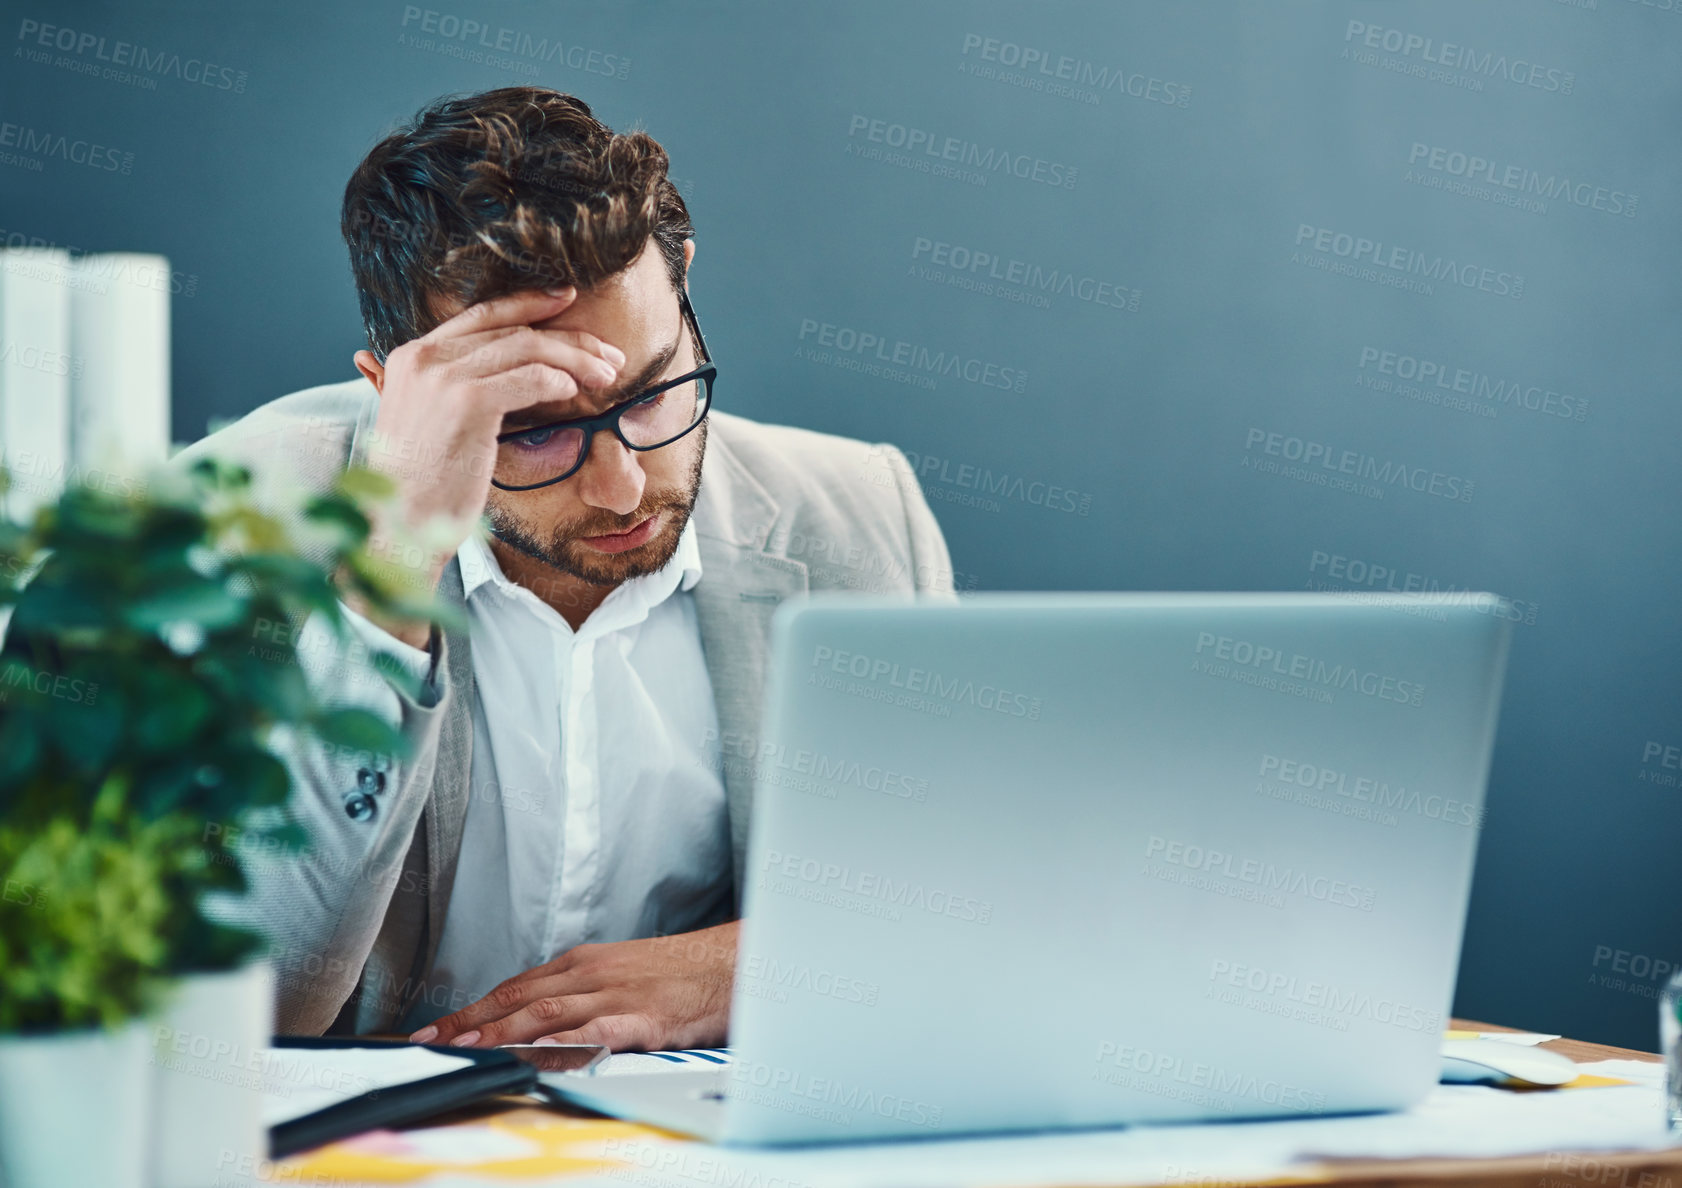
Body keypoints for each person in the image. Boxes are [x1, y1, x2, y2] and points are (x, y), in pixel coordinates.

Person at [178, 85, 955, 1049]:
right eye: (536, 429)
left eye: (655, 389)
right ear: (389, 393)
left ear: (685, 291)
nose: (625, 486)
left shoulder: (857, 518)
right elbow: (238, 1005)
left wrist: (757, 966)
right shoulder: (220, 530)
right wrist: (392, 560)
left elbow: (960, 908)